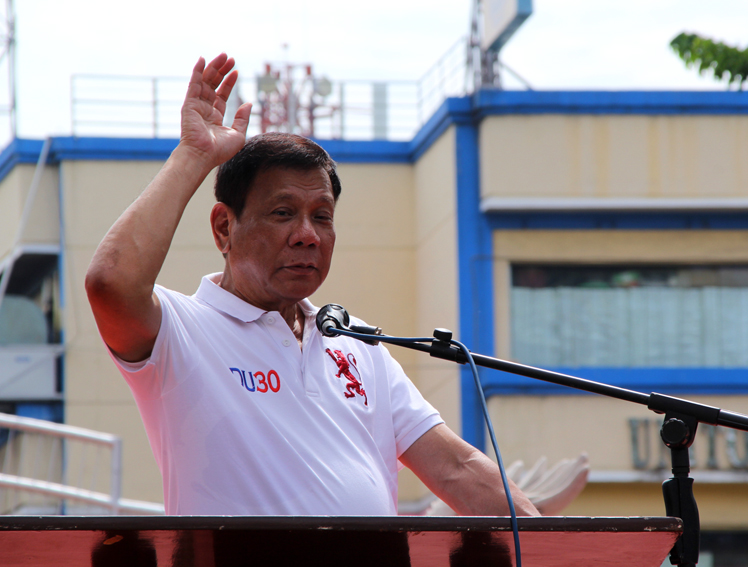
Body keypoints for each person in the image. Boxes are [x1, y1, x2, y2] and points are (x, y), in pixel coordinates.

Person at [85, 53, 540, 517]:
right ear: (224, 228)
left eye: (322, 216)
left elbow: (458, 468)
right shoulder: (180, 331)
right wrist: (194, 156)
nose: (308, 234)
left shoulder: (357, 342)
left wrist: (557, 548)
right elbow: (110, 284)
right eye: (283, 213)